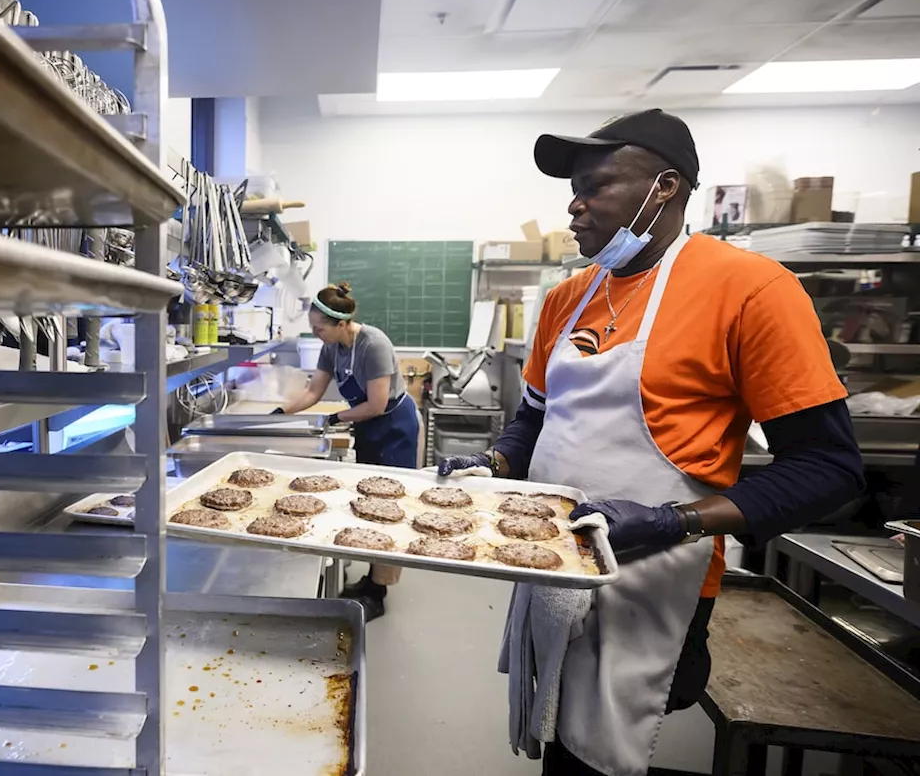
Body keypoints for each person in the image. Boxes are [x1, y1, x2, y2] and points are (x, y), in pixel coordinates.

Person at [439, 109, 864, 776]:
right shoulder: (569, 298)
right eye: (572, 189)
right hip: (554, 564)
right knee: (559, 743)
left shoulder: (750, 289)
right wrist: (491, 460)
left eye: (596, 184)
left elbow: (828, 467)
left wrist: (674, 519)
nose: (575, 205)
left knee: (606, 753)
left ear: (664, 186)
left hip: (655, 577)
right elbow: (534, 421)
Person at [277, 282, 419, 621]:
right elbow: (314, 390)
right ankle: (371, 579)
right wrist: (283, 415)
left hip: (394, 425)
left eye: (319, 329)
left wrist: (334, 417)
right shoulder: (331, 347)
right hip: (368, 424)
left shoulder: (374, 344)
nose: (316, 335)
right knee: (369, 503)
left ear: (341, 323)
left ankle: (379, 591)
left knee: (389, 508)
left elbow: (378, 403)